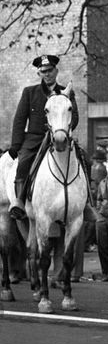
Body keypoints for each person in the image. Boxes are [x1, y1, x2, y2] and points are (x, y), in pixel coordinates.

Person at [9, 55, 81, 220]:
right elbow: (20, 119)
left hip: (60, 136)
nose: (47, 74)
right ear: (39, 74)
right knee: (24, 161)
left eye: (49, 71)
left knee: (82, 158)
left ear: (56, 71)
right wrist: (16, 145)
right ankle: (19, 201)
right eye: (43, 71)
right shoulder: (29, 92)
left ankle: (86, 203)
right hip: (35, 138)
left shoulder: (66, 92)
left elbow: (74, 118)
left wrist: (63, 130)